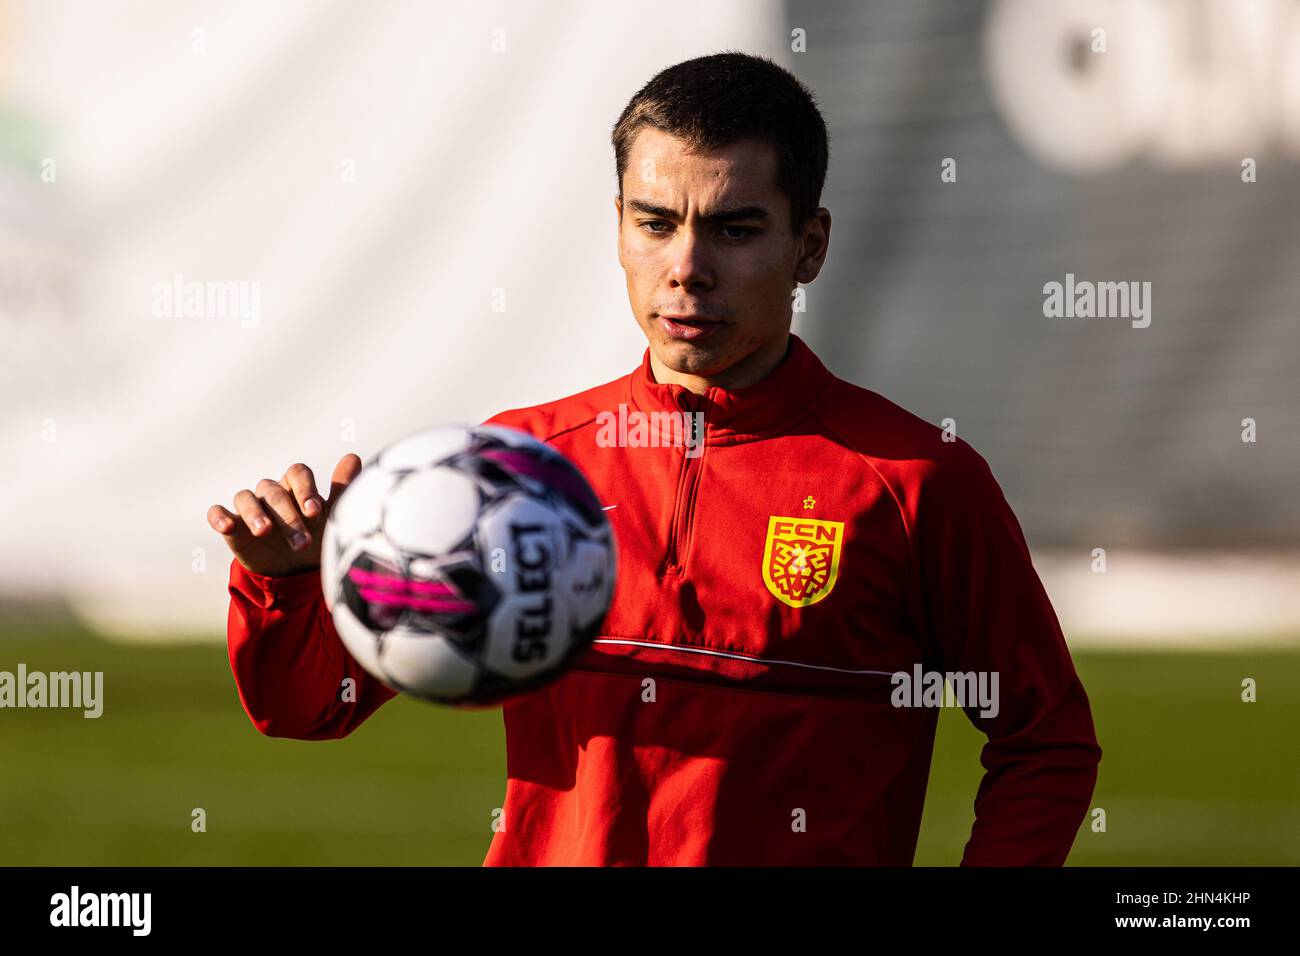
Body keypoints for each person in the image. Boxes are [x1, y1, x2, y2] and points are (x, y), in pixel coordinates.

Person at [207, 51, 1101, 866]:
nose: (686, 266)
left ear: (810, 247)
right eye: (656, 222)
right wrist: (288, 587)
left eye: (735, 229)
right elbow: (310, 708)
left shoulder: (915, 481)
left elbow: (1045, 742)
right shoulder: (511, 471)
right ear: (620, 227)